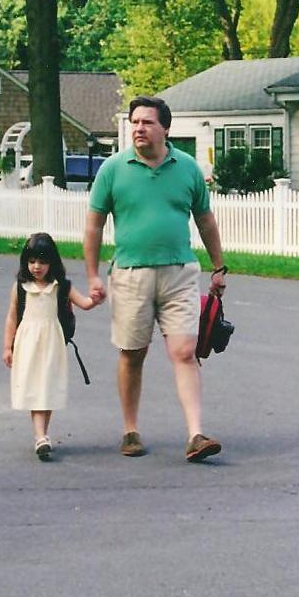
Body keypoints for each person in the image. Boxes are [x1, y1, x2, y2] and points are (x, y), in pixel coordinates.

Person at [84, 95, 228, 462]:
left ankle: (196, 434)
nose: (139, 128)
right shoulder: (113, 169)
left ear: (165, 128)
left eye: (147, 122)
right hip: (131, 274)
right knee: (133, 354)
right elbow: (94, 225)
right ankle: (130, 430)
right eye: (134, 122)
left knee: (184, 351)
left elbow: (205, 219)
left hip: (179, 272)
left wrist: (218, 266)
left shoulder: (188, 169)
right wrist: (93, 275)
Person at [3, 232, 99, 460]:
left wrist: (96, 297)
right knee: (36, 387)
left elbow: (84, 303)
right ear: (25, 262)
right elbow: (12, 317)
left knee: (46, 387)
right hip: (27, 345)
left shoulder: (61, 287)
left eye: (43, 261)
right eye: (32, 261)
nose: (37, 267)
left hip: (52, 345)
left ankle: (42, 435)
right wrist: (8, 346)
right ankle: (40, 437)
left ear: (52, 263)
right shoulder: (21, 288)